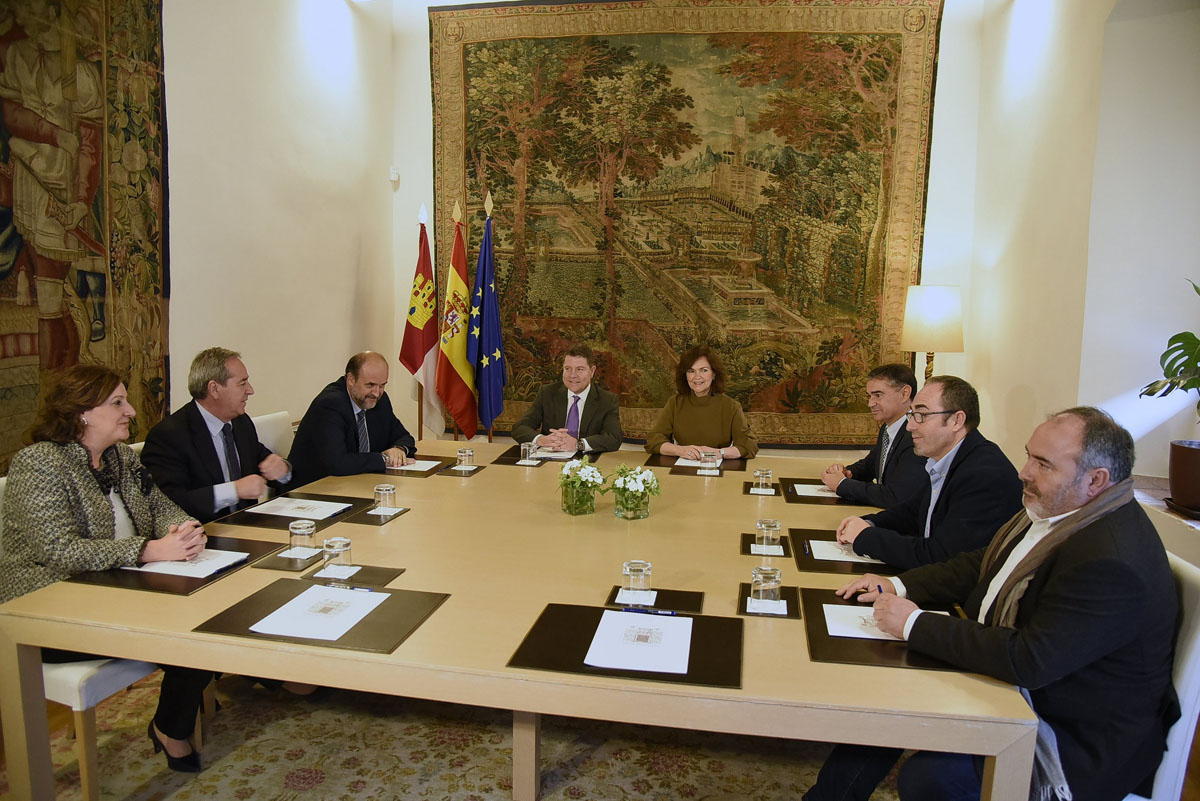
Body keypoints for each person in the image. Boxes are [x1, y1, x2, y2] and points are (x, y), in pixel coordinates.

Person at [805, 407, 1179, 801]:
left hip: (1075, 738)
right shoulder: (1065, 513)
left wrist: (913, 623)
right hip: (1029, 687)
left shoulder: (1111, 558)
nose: (1024, 472)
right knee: (891, 690)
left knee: (932, 777)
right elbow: (982, 565)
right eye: (1028, 456)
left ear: (1096, 480)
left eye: (1043, 464)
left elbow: (1029, 659)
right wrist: (897, 585)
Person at [0, 365, 214, 773]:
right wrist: (148, 550)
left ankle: (171, 722)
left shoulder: (118, 458)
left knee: (209, 615)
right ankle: (174, 724)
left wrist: (183, 528)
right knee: (190, 634)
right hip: (43, 607)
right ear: (81, 412)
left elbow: (157, 504)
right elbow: (58, 549)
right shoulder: (39, 464)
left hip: (112, 588)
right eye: (117, 402)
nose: (131, 410)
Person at [834, 375, 1022, 570]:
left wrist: (865, 536)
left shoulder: (984, 475)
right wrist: (869, 522)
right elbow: (914, 512)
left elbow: (939, 557)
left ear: (957, 420)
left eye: (921, 416)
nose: (910, 426)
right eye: (911, 415)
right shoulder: (948, 459)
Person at [141, 347, 291, 523]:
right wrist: (233, 491)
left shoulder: (240, 423)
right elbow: (169, 503)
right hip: (203, 538)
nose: (250, 390)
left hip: (249, 528)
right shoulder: (169, 436)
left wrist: (282, 469)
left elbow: (265, 462)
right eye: (242, 384)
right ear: (214, 389)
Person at [288, 351, 417, 486]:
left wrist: (399, 449)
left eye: (382, 385)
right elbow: (338, 463)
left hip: (355, 484)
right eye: (370, 385)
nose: (377, 393)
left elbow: (404, 436)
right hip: (313, 490)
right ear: (351, 380)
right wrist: (384, 459)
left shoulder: (378, 400)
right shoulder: (330, 405)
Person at [821, 363, 926, 508]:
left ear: (905, 394)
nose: (870, 403)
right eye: (869, 396)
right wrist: (848, 473)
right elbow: (872, 464)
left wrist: (842, 485)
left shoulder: (917, 436)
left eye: (878, 395)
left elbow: (895, 497)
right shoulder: (888, 428)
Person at [644, 345, 758, 460]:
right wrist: (680, 450)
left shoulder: (731, 406)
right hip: (683, 468)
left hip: (718, 470)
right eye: (691, 371)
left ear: (713, 374)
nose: (697, 377)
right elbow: (654, 440)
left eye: (704, 370)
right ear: (685, 375)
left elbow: (749, 446)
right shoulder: (675, 403)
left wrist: (719, 453)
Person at [511, 344, 622, 454]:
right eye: (567, 369)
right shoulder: (547, 393)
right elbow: (520, 428)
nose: (572, 375)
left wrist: (578, 444)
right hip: (550, 460)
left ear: (592, 371)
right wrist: (541, 440)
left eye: (579, 369)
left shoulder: (607, 400)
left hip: (588, 463)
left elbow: (614, 438)